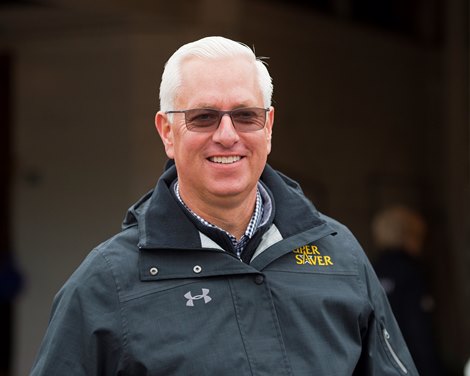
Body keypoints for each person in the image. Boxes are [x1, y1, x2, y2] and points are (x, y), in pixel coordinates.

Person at [31, 36, 418, 375]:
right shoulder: (106, 284)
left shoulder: (340, 256)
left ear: (268, 126)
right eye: (203, 117)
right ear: (167, 131)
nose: (227, 135)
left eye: (245, 115)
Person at [372, 205, 444, 375]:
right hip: (412, 364)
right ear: (409, 235)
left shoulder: (371, 269)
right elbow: (418, 329)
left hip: (381, 364)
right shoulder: (411, 271)